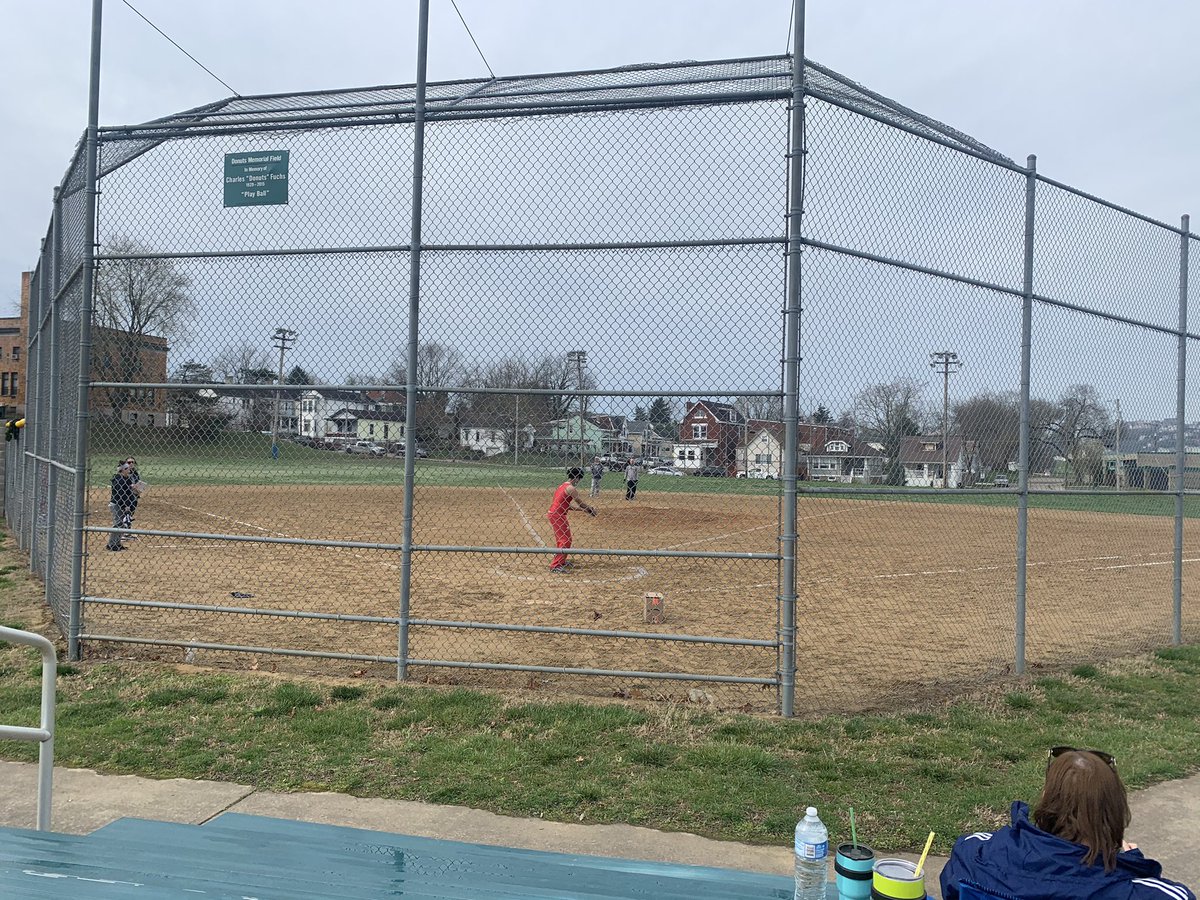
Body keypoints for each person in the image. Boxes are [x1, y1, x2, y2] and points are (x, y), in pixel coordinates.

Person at [940, 747, 1194, 900]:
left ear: (1047, 799)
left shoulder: (974, 856)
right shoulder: (1143, 893)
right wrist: (1132, 865)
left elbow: (954, 879)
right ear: (1114, 810)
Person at [546, 467, 596, 573]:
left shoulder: (562, 486)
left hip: (555, 513)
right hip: (558, 515)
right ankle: (555, 565)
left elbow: (566, 505)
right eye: (579, 478)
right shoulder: (571, 488)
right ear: (577, 477)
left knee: (562, 539)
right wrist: (589, 509)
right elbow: (580, 503)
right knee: (566, 540)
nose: (579, 481)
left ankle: (561, 561)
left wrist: (583, 510)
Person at [107, 462, 137, 552]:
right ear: (122, 470)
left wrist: (133, 488)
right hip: (117, 504)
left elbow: (128, 492)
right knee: (118, 524)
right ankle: (112, 544)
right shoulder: (119, 480)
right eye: (127, 468)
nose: (129, 469)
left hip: (122, 504)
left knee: (121, 524)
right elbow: (121, 495)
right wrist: (125, 506)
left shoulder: (126, 479)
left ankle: (117, 543)